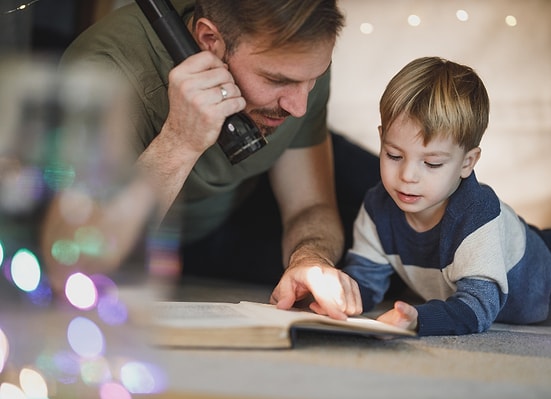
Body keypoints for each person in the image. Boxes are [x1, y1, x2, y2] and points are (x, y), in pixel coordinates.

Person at [58, 0, 376, 318]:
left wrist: (310, 259)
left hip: (247, 190)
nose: (299, 107)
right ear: (210, 42)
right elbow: (84, 255)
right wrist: (181, 140)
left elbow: (310, 204)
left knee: (401, 204)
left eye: (313, 79)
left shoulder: (299, 63)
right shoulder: (103, 70)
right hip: (174, 234)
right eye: (278, 80)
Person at [330, 56, 551, 335]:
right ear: (381, 138)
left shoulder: (477, 213)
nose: (407, 175)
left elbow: (478, 307)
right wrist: (333, 295)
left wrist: (420, 319)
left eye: (432, 163)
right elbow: (364, 281)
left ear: (467, 163)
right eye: (394, 155)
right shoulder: (378, 207)